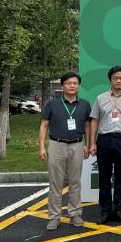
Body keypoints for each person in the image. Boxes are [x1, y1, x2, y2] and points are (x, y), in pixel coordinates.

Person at [38, 72, 91, 230]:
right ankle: (54, 216)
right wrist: (41, 147)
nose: (72, 86)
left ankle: (75, 214)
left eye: (75, 83)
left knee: (75, 182)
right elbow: (44, 125)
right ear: (62, 86)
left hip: (77, 145)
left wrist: (88, 145)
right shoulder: (52, 104)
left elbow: (87, 126)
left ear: (78, 86)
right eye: (68, 83)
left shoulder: (85, 104)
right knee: (56, 183)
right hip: (57, 145)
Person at [89, 66, 121, 225]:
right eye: (115, 78)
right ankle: (105, 211)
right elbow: (94, 120)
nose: (118, 81)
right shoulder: (100, 98)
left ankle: (119, 210)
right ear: (110, 80)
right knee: (104, 177)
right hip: (104, 140)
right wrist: (92, 142)